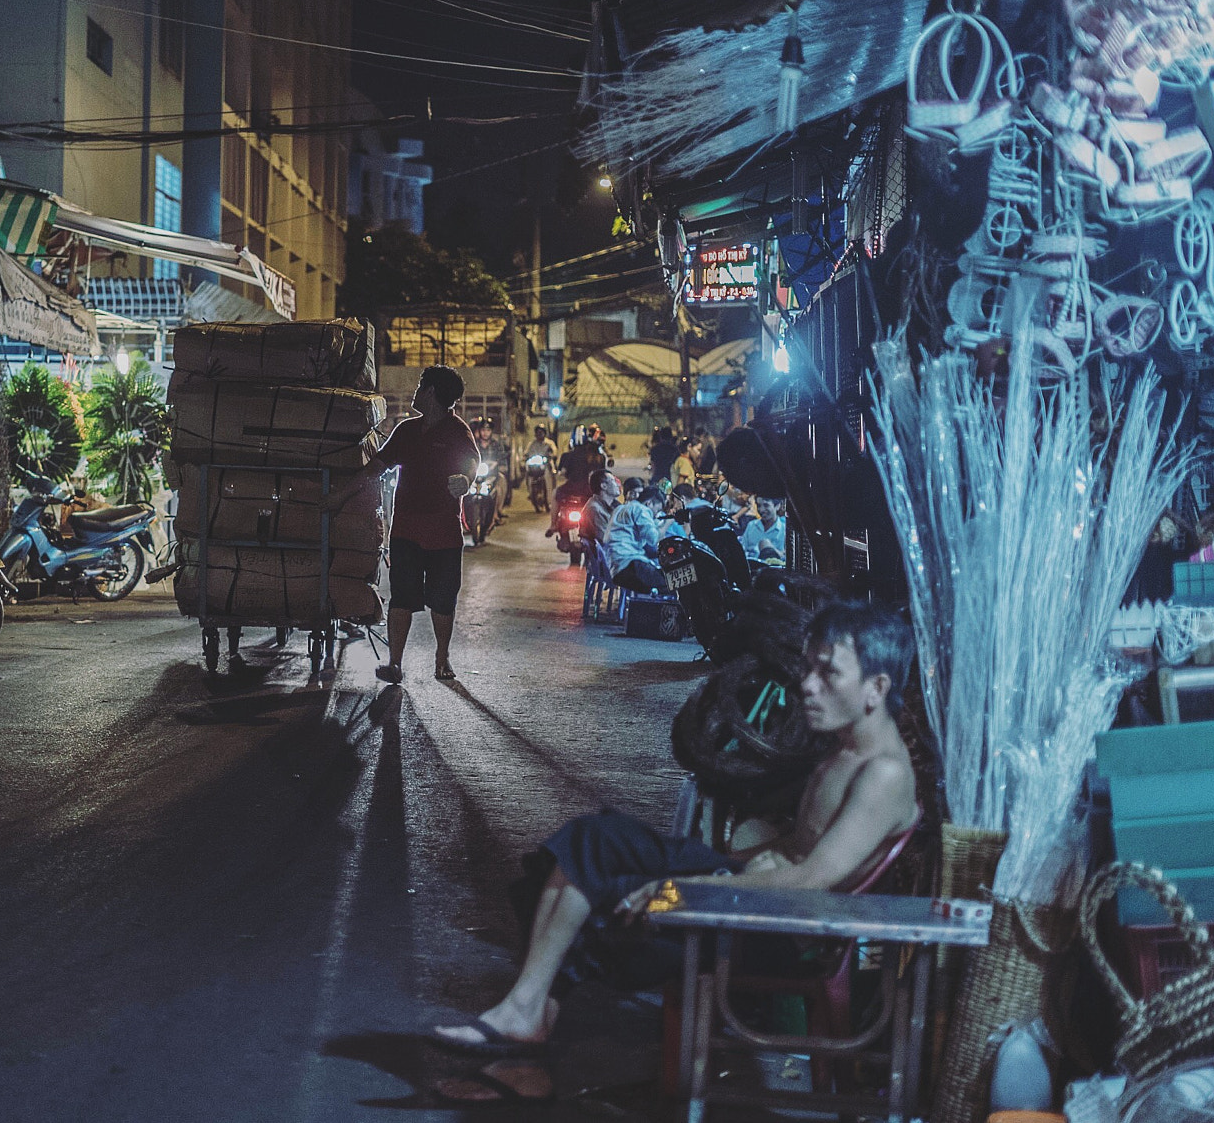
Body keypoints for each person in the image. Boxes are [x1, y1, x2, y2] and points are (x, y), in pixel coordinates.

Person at [431, 601, 920, 1055]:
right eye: (810, 668)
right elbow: (799, 846)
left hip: (773, 928)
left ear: (876, 689)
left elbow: (812, 881)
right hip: (748, 890)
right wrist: (719, 865)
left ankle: (529, 1016)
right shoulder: (845, 748)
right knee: (595, 839)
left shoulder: (884, 774)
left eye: (828, 672)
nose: (809, 685)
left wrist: (678, 889)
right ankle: (527, 1008)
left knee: (611, 896)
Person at [372, 366, 477, 684]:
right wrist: (340, 491)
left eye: (420, 386)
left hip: (444, 532)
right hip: (405, 530)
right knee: (402, 597)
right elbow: (377, 464)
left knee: (443, 600)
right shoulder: (405, 431)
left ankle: (442, 658)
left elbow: (472, 461)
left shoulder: (458, 431)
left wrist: (466, 479)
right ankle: (394, 664)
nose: (416, 392)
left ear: (430, 392)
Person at [604, 483, 668, 594]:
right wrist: (668, 521)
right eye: (656, 511)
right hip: (630, 566)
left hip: (617, 567)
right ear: (649, 503)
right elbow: (654, 539)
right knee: (675, 581)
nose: (655, 516)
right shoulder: (641, 510)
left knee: (668, 581)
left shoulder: (621, 508)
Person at [741, 498, 788, 562]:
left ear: (777, 506)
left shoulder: (784, 529)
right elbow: (742, 551)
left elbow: (786, 559)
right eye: (759, 505)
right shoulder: (751, 525)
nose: (761, 510)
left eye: (766, 505)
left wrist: (769, 547)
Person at [524, 425, 559, 496]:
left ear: (544, 433)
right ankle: (530, 490)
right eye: (538, 432)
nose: (539, 434)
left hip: (546, 463)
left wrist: (553, 455)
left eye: (541, 432)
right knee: (527, 472)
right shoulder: (532, 444)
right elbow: (526, 452)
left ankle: (553, 488)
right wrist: (525, 456)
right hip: (535, 464)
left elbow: (554, 451)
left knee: (552, 469)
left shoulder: (549, 443)